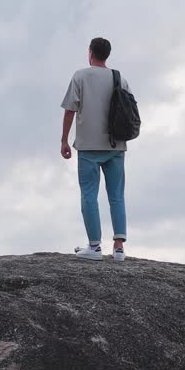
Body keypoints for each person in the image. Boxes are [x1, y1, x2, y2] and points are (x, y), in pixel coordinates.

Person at [60, 37, 131, 261]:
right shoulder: (119, 77)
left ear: (90, 52)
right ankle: (119, 248)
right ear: (107, 54)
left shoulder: (80, 76)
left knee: (89, 195)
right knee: (116, 196)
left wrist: (64, 140)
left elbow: (70, 110)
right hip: (116, 144)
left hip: (89, 147)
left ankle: (94, 246)